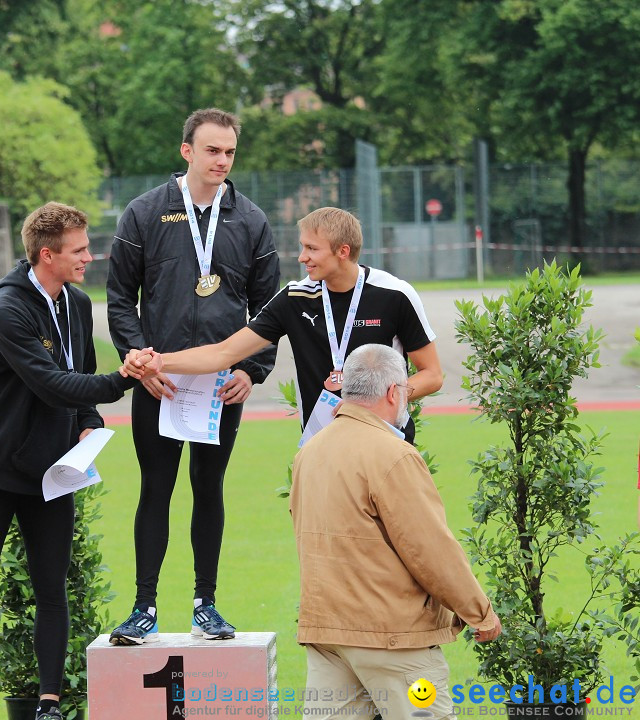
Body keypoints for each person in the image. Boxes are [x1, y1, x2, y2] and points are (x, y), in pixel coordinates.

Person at [0, 202, 136, 720]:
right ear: (46, 255)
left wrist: (91, 421)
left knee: (52, 589)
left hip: (53, 473)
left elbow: (78, 385)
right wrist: (125, 380)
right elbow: (51, 384)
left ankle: (49, 705)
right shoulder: (6, 310)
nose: (89, 258)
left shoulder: (75, 305)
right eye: (78, 251)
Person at [106, 107, 281, 644]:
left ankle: (207, 605)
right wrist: (139, 362)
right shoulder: (143, 213)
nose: (222, 161)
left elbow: (269, 309)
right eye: (212, 150)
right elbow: (118, 300)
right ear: (187, 151)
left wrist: (253, 371)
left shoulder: (250, 220)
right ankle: (144, 609)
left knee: (210, 488)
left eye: (229, 151)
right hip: (159, 383)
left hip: (223, 388)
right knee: (155, 489)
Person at [290, 343, 501, 719]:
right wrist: (479, 612)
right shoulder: (394, 454)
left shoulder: (310, 451)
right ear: (392, 393)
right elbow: (430, 548)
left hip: (327, 633)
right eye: (405, 391)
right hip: (392, 637)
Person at [122, 206, 442, 445]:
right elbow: (224, 353)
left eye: (312, 248)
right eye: (303, 247)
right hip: (321, 444)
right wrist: (160, 361)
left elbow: (432, 375)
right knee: (321, 536)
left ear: (343, 251)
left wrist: (376, 404)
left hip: (386, 441)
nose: (302, 257)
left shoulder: (395, 294)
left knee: (386, 536)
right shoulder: (295, 298)